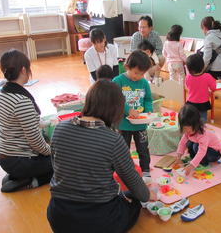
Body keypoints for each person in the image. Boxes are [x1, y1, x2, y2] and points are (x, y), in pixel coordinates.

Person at [47, 80, 154, 233]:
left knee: (127, 194)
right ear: (115, 110)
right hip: (98, 221)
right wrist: (148, 195)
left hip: (59, 216)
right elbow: (132, 179)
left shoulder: (60, 128)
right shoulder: (113, 139)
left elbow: (57, 166)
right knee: (136, 200)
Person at [0, 50, 53, 193]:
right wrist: (53, 152)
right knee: (65, 162)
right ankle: (31, 181)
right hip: (20, 160)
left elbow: (22, 123)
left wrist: (47, 123)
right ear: (23, 70)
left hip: (5, 156)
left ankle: (16, 176)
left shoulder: (3, 93)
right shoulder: (21, 100)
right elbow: (35, 140)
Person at [113, 50, 153, 177]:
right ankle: (125, 171)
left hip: (140, 124)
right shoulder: (118, 81)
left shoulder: (144, 82)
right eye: (136, 72)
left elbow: (148, 99)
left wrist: (148, 110)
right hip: (123, 124)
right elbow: (115, 100)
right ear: (127, 67)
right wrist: (128, 110)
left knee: (143, 149)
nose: (138, 76)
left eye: (142, 74)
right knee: (123, 150)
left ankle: (146, 170)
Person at [172, 104, 221, 176]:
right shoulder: (187, 132)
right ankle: (196, 159)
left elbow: (202, 151)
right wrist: (178, 157)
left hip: (215, 153)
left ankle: (203, 161)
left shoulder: (203, 135)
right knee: (189, 143)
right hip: (204, 149)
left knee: (196, 147)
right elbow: (182, 143)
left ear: (196, 125)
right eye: (185, 130)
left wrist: (191, 165)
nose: (187, 133)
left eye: (189, 131)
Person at [200, 16, 221, 81]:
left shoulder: (209, 38)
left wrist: (201, 70)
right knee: (220, 89)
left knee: (212, 89)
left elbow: (207, 57)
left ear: (204, 27)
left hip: (214, 70)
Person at [185, 53, 216, 122]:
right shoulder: (207, 76)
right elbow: (213, 88)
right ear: (202, 65)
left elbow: (187, 86)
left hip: (191, 103)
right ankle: (201, 132)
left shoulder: (188, 77)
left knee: (192, 121)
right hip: (203, 104)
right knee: (202, 122)